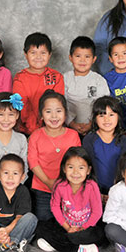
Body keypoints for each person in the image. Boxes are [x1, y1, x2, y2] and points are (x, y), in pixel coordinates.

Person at [35, 147, 104, 252]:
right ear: (64, 169)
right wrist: (68, 228)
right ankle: (79, 250)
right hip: (66, 226)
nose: (76, 172)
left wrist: (82, 228)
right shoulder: (60, 185)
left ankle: (57, 244)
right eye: (71, 167)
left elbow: (97, 212)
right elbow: (55, 208)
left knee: (100, 234)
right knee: (40, 227)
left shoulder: (92, 186)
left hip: (85, 228)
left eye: (81, 168)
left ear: (88, 170)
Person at [28, 90, 81, 221]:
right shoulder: (36, 136)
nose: (54, 116)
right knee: (44, 221)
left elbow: (78, 162)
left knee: (68, 220)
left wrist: (66, 184)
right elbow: (33, 162)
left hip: (69, 187)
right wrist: (47, 182)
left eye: (58, 111)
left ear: (65, 114)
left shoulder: (73, 135)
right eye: (48, 112)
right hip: (43, 188)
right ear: (41, 115)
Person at [13, 32, 64, 135]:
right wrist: (33, 129)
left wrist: (47, 127)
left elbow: (58, 105)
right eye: (33, 53)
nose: (38, 57)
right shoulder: (20, 78)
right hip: (25, 129)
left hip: (51, 127)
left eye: (43, 53)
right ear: (25, 54)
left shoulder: (57, 77)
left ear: (50, 54)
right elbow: (22, 106)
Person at [82, 96, 126, 203]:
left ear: (118, 117)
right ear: (94, 118)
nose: (107, 119)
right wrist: (97, 192)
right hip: (94, 190)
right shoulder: (89, 139)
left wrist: (114, 192)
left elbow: (124, 167)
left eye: (111, 115)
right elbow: (87, 167)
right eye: (102, 115)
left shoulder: (123, 140)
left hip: (118, 191)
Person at [64, 36, 110, 137]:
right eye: (78, 56)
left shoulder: (99, 80)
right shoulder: (65, 79)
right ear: (70, 57)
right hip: (68, 127)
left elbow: (104, 105)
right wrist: (72, 124)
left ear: (94, 59)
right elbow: (60, 104)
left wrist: (91, 124)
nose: (82, 60)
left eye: (87, 57)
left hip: (94, 127)